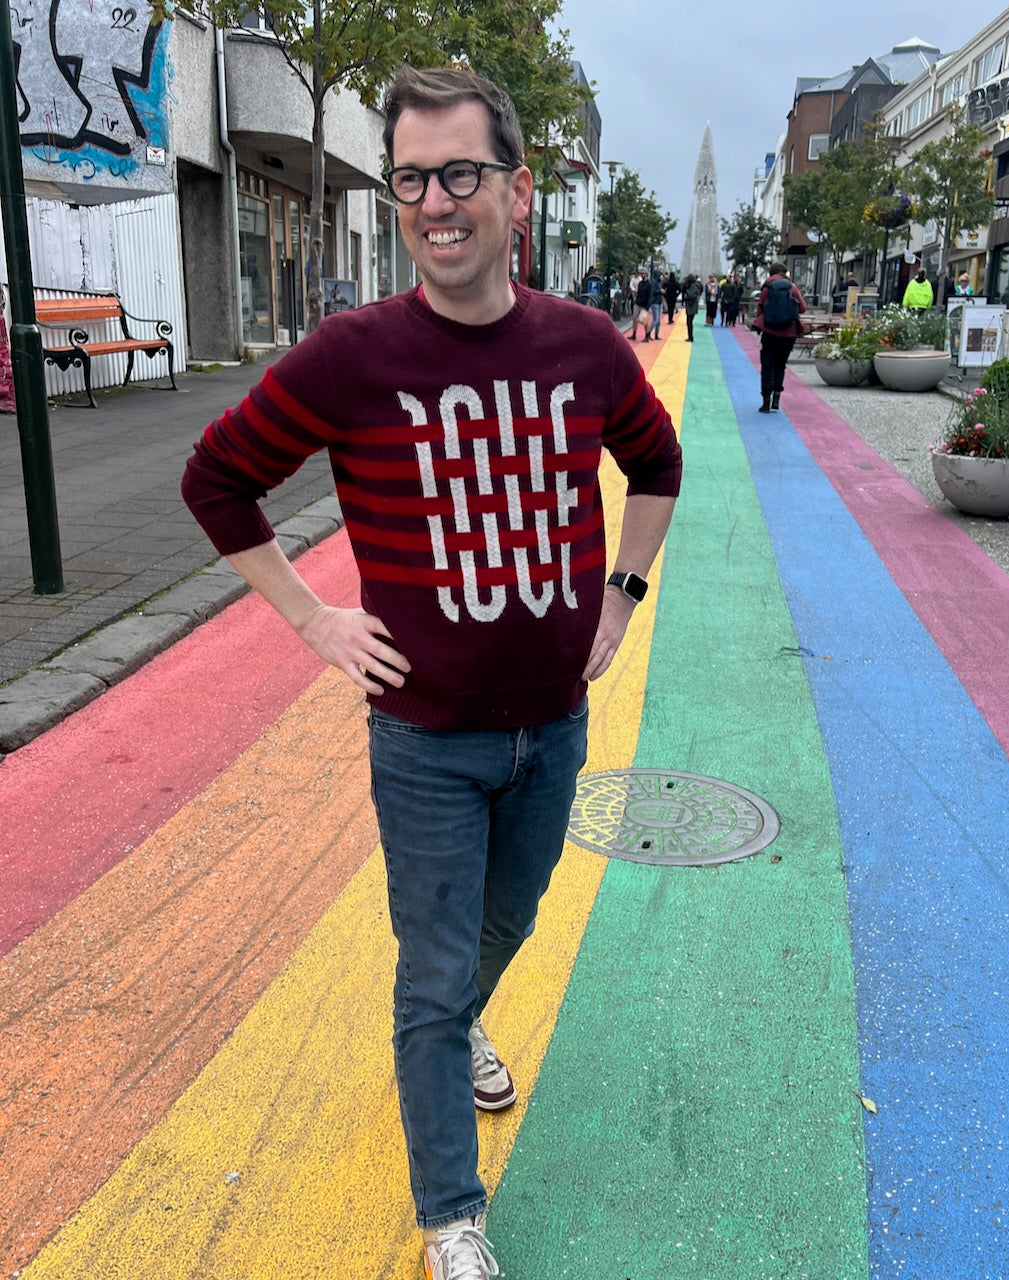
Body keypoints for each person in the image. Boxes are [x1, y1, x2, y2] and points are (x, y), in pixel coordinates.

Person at [180, 65, 682, 1280]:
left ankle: (456, 1036)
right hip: (421, 737)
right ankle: (451, 1214)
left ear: (515, 189)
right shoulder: (353, 355)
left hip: (551, 727)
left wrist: (620, 591)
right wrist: (313, 621)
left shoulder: (581, 345)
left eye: (460, 174)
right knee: (434, 965)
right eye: (411, 178)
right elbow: (216, 478)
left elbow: (655, 463)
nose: (434, 202)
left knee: (501, 928)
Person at [751, 261, 807, 413]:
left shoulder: (767, 288)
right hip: (789, 334)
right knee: (780, 365)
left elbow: (760, 309)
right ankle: (777, 398)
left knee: (767, 366)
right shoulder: (792, 287)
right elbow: (803, 308)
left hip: (770, 332)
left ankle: (766, 401)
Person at [630, 270, 652, 341]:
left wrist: (647, 306)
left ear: (646, 274)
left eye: (643, 274)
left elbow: (650, 296)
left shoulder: (649, 284)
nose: (642, 275)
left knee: (645, 321)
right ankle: (634, 334)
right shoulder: (640, 283)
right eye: (641, 274)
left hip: (644, 304)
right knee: (634, 318)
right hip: (638, 303)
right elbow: (638, 293)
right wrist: (635, 300)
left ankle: (647, 335)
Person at [682, 273, 702, 340]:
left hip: (691, 305)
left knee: (689, 322)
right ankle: (690, 336)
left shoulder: (692, 286)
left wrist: (686, 295)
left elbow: (691, 295)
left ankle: (690, 337)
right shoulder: (696, 285)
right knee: (690, 321)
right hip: (693, 305)